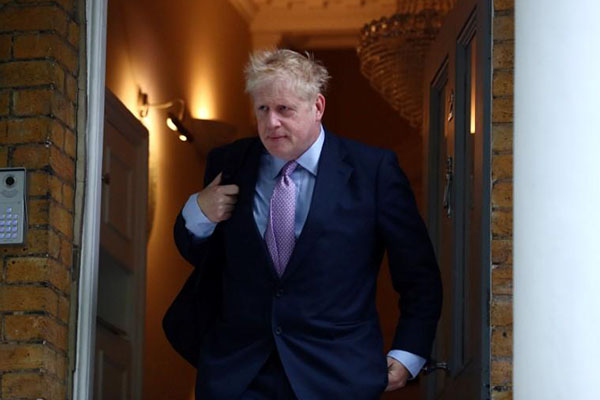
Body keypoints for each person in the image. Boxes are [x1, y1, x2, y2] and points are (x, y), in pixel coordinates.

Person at [173, 49, 442, 399]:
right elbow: (200, 257)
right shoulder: (230, 162)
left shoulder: (373, 170)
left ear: (317, 107)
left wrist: (408, 353)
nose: (271, 122)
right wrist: (199, 211)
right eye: (262, 109)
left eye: (284, 109)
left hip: (337, 374)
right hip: (240, 374)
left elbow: (418, 273)